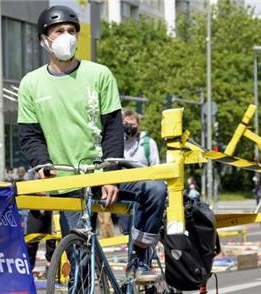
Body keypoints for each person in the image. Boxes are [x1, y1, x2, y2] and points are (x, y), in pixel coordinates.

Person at [18, 5, 166, 283]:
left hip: (103, 174)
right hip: (65, 180)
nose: (67, 36)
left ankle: (139, 258)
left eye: (71, 30)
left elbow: (113, 128)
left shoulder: (99, 74)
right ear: (44, 39)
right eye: (59, 31)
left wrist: (110, 175)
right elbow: (29, 134)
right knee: (80, 259)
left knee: (155, 190)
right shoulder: (31, 84)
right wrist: (41, 165)